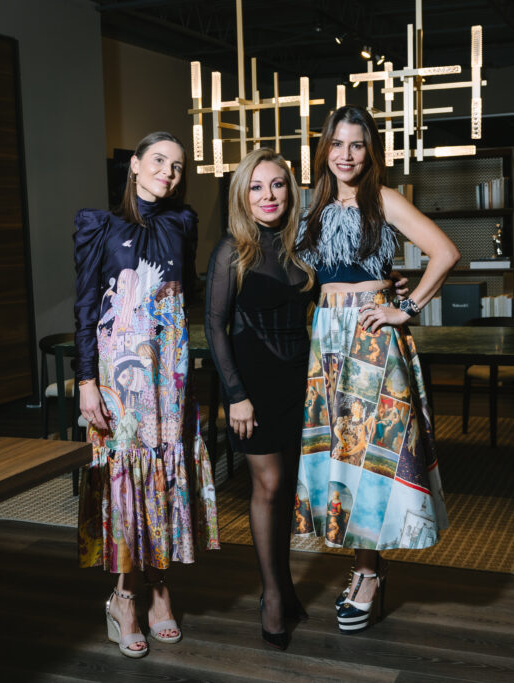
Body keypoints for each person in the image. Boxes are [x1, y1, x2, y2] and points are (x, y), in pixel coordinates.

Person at [294, 105, 460, 634]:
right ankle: (365, 567)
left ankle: (367, 574)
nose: (345, 155)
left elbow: (445, 252)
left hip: (370, 339)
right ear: (324, 148)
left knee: (369, 455)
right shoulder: (310, 205)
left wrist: (403, 308)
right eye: (337, 144)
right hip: (325, 339)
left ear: (370, 153)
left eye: (357, 145)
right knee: (342, 455)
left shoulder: (383, 199)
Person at [73, 131, 219, 658]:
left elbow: (187, 295)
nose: (168, 173)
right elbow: (86, 305)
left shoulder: (183, 223)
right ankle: (124, 598)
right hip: (120, 373)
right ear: (134, 165)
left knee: (164, 473)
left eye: (177, 167)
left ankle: (159, 587)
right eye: (158, 161)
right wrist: (86, 381)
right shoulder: (99, 225)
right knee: (126, 480)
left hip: (171, 373)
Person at [204, 148, 315, 650]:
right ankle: (271, 596)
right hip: (254, 386)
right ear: (242, 195)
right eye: (256, 187)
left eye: (277, 185)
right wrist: (236, 397)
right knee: (267, 487)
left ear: (289, 191)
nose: (268, 195)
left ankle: (285, 587)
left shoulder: (301, 247)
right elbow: (215, 326)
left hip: (300, 382)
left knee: (287, 487)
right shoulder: (233, 250)